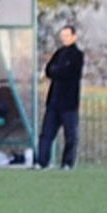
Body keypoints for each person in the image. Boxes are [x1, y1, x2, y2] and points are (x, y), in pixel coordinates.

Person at [35, 25, 83, 169]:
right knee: (46, 134)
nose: (64, 39)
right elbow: (49, 70)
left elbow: (70, 72)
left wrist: (58, 71)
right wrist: (57, 70)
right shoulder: (59, 53)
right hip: (54, 101)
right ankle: (42, 162)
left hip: (69, 103)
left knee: (71, 136)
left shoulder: (77, 55)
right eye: (62, 36)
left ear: (74, 37)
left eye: (67, 36)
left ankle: (67, 163)